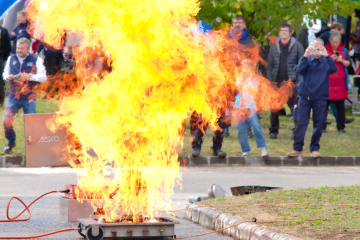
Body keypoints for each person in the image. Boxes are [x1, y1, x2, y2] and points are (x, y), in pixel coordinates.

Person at [288, 38, 337, 158]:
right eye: (315, 47)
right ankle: (297, 148)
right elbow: (299, 70)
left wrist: (327, 56)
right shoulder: (306, 59)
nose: (316, 50)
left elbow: (334, 69)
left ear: (323, 48)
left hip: (320, 97)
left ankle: (314, 148)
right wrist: (305, 55)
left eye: (319, 47)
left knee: (319, 123)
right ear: (310, 47)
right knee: (301, 122)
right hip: (304, 96)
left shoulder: (325, 61)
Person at [2, 38, 47, 153]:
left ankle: (32, 147)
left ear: (28, 49)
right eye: (18, 48)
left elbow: (43, 77)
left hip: (29, 96)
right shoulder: (11, 58)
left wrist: (30, 77)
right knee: (6, 121)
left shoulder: (36, 59)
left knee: (31, 123)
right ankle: (11, 141)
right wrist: (8, 77)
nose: (19, 50)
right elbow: (4, 74)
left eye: (22, 48)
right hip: (13, 95)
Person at [266, 23, 304, 139]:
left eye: (286, 31)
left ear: (290, 33)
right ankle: (273, 131)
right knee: (274, 108)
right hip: (277, 82)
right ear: (279, 33)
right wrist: (270, 81)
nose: (283, 32)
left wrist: (298, 80)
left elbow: (302, 63)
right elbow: (270, 65)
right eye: (281, 30)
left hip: (291, 82)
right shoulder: (274, 47)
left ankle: (296, 131)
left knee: (295, 108)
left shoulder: (297, 46)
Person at [235, 60, 267, 157]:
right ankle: (245, 149)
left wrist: (248, 79)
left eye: (248, 67)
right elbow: (235, 90)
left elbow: (254, 90)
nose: (245, 69)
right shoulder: (238, 77)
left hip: (251, 106)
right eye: (244, 67)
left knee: (256, 125)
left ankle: (263, 147)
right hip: (239, 106)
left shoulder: (255, 79)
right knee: (241, 129)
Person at [323, 31, 351, 133]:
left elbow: (348, 64)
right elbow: (321, 63)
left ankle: (341, 127)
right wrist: (330, 59)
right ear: (330, 41)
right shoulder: (325, 51)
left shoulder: (343, 51)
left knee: (340, 107)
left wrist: (341, 60)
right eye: (333, 42)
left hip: (340, 83)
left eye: (337, 42)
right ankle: (322, 126)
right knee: (324, 106)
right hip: (328, 83)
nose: (335, 44)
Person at [0, 26, 12, 106]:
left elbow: (8, 47)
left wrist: (4, 58)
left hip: (0, 57)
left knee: (0, 80)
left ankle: (1, 100)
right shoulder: (4, 31)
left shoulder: (3, 31)